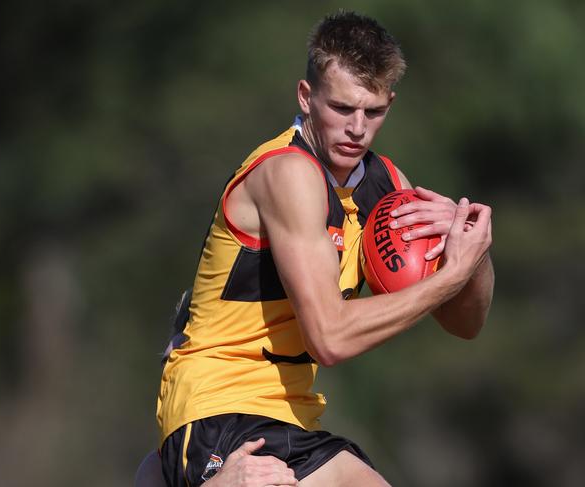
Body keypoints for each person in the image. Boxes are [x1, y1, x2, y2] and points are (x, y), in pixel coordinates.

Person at [155, 10, 494, 487]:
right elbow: (329, 338)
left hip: (293, 418)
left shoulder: (389, 187)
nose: (357, 128)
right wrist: (450, 276)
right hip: (218, 406)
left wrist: (472, 253)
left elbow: (465, 323)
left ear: (389, 105)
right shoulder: (288, 173)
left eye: (373, 112)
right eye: (341, 109)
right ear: (306, 97)